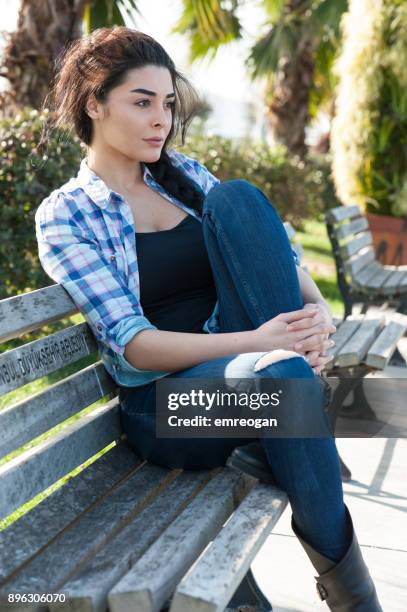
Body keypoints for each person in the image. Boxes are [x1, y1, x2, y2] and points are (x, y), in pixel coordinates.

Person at [35, 26, 382, 611]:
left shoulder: (187, 178)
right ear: (93, 104)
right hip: (168, 408)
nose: (160, 121)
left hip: (249, 365)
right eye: (141, 103)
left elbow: (277, 259)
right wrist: (266, 342)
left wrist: (317, 315)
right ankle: (360, 602)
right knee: (290, 384)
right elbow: (135, 346)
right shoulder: (67, 216)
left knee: (241, 199)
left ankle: (280, 425)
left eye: (167, 105)